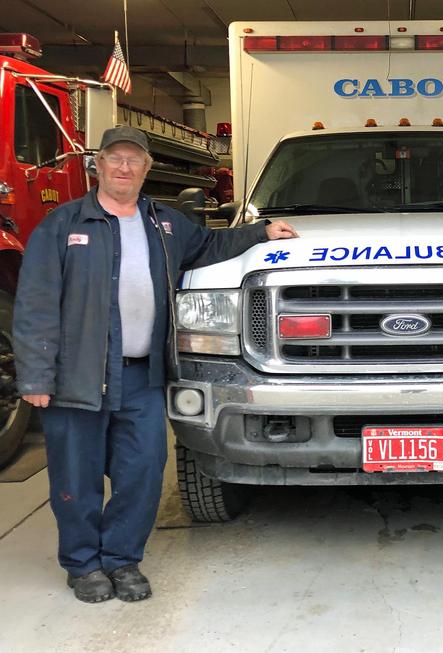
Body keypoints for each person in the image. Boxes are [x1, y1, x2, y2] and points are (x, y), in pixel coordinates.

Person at [12, 126, 298, 603]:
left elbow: (208, 246)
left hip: (142, 376)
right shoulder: (63, 226)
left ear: (146, 168)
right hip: (75, 377)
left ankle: (122, 560)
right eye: (115, 159)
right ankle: (83, 565)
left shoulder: (163, 223)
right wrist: (36, 376)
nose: (124, 168)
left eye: (133, 160)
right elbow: (35, 304)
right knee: (76, 477)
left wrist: (259, 233)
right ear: (97, 165)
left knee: (142, 471)